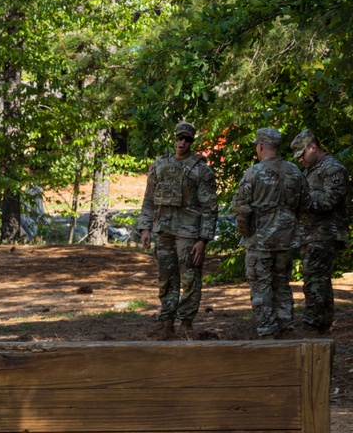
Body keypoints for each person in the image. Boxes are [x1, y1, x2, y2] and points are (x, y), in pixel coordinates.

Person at [138, 122, 218, 340]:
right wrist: (145, 228)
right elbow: (149, 198)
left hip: (189, 233)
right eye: (179, 138)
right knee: (166, 277)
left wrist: (204, 239)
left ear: (192, 141)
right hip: (164, 230)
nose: (182, 143)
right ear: (174, 139)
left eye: (187, 139)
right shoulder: (160, 165)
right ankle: (166, 322)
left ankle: (186, 324)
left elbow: (210, 207)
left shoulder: (201, 170)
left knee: (190, 278)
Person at [232, 128, 309, 339]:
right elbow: (305, 205)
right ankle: (286, 327)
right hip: (286, 240)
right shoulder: (295, 171)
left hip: (260, 241)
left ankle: (267, 331)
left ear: (260, 146)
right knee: (282, 283)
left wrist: (246, 233)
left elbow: (241, 207)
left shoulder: (254, 173)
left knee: (261, 285)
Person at [290, 129, 348, 335]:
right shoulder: (313, 168)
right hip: (312, 234)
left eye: (302, 154)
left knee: (315, 279)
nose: (300, 159)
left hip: (325, 234)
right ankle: (321, 324)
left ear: (313, 147)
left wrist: (302, 201)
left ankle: (314, 325)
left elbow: (331, 200)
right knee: (316, 279)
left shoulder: (332, 168)